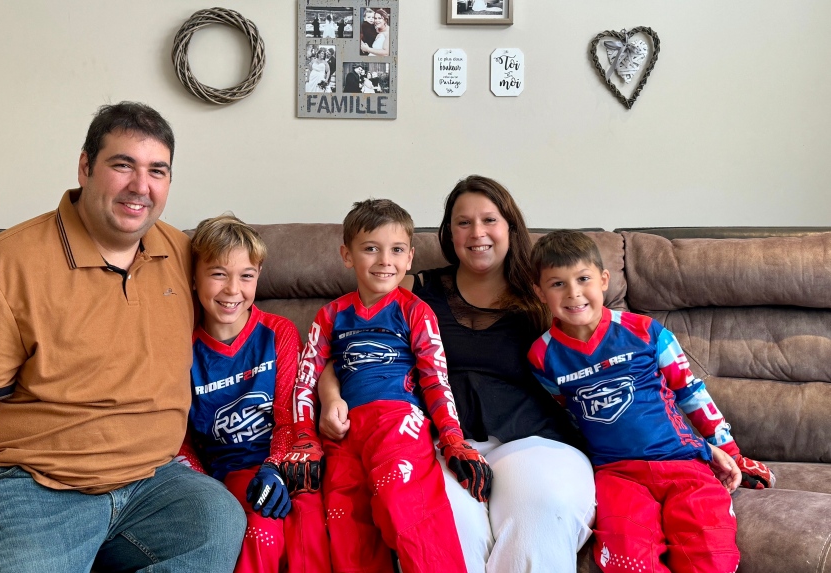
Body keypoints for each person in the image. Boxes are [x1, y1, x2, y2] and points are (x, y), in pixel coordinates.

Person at [0, 102, 245, 573]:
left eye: (157, 171)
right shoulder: (1, 268)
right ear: (85, 167)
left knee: (217, 520)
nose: (141, 186)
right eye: (123, 165)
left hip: (150, 482)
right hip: (25, 486)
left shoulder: (180, 253)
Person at [319, 176, 594, 573]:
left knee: (539, 518)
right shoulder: (413, 287)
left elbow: (603, 348)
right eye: (464, 222)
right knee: (445, 535)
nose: (477, 233)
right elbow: (344, 353)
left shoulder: (544, 293)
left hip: (533, 441)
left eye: (489, 220)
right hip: (438, 447)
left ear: (510, 228)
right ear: (449, 233)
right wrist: (331, 398)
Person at [527, 230, 775, 573]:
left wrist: (730, 452)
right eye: (557, 284)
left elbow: (690, 391)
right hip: (617, 475)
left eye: (583, 279)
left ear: (603, 280)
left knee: (711, 556)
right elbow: (564, 415)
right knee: (629, 561)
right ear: (539, 292)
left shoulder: (646, 331)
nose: (574, 293)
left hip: (684, 463)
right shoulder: (542, 356)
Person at [281, 199, 492, 573]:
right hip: (342, 434)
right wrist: (304, 440)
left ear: (410, 257)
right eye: (370, 249)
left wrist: (453, 440)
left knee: (406, 512)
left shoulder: (415, 310)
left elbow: (435, 378)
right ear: (347, 255)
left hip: (398, 423)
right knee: (346, 529)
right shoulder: (330, 314)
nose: (384, 261)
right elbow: (305, 377)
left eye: (396, 250)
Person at [177, 214, 332, 573]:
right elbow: (179, 437)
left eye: (246, 276)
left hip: (285, 461)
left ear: (258, 277)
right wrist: (206, 491)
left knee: (311, 527)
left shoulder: (278, 331)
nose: (233, 290)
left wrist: (275, 466)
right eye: (218, 273)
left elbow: (288, 414)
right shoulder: (182, 348)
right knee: (262, 533)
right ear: (194, 278)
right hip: (229, 473)